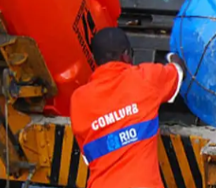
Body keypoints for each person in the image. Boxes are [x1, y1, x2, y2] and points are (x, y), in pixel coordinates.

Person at [70, 27, 188, 188]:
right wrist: (172, 56)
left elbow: (88, 157)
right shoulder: (146, 78)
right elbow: (179, 71)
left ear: (95, 59)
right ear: (126, 55)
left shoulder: (78, 100)